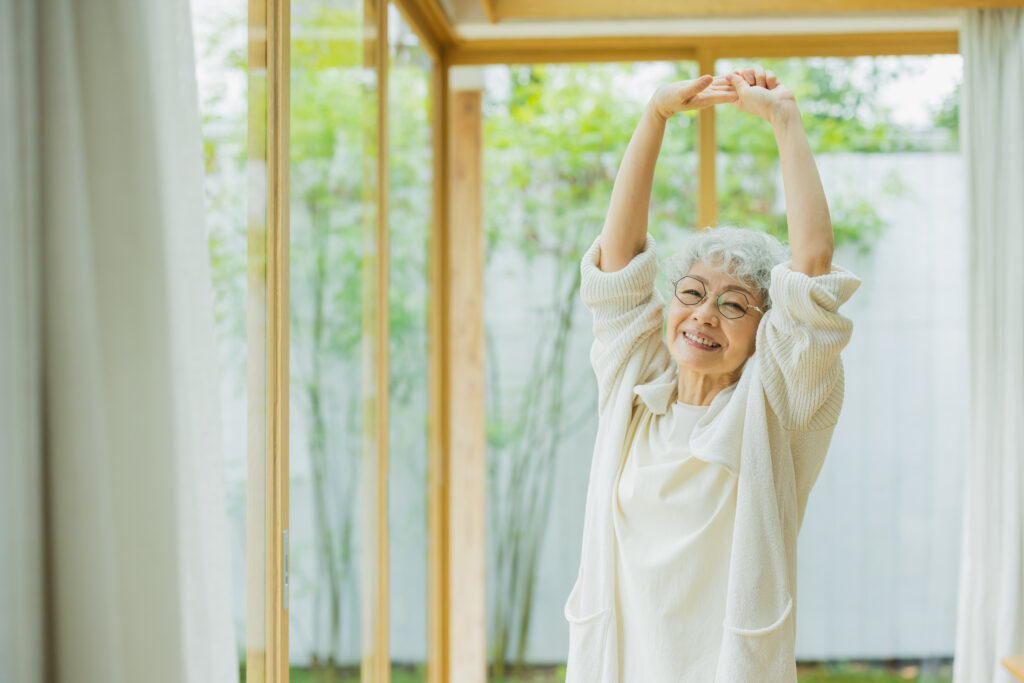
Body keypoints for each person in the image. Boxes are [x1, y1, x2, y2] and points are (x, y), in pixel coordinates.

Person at [563, 66, 863, 682]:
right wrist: (654, 117)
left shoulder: (777, 401)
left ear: (765, 330)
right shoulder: (634, 385)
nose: (704, 315)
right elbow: (617, 262)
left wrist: (785, 119)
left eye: (732, 304)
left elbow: (811, 269)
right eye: (693, 292)